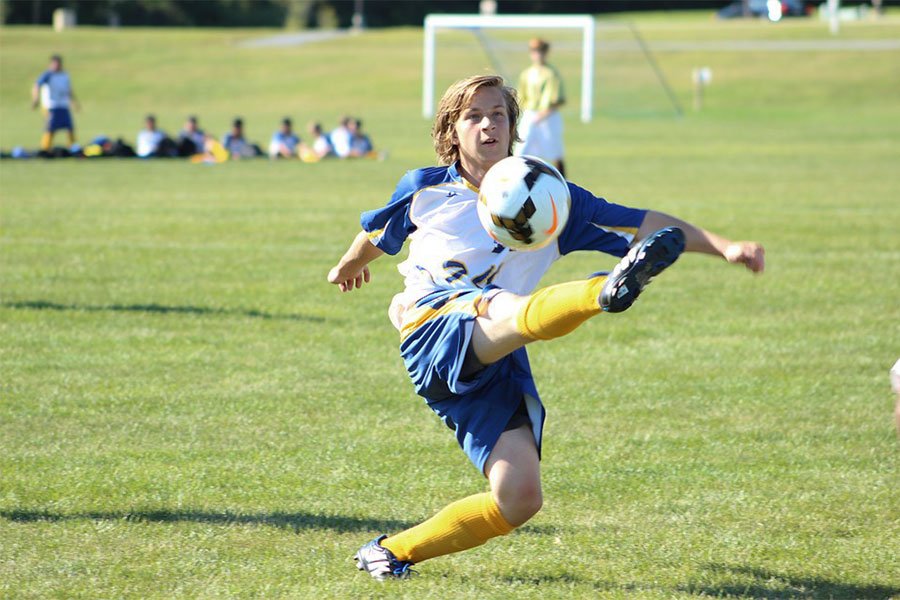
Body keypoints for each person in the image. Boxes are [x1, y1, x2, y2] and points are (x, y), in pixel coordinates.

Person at [327, 74, 765, 581]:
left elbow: (646, 222)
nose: (489, 123)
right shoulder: (425, 188)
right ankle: (601, 293)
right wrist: (346, 266)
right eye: (474, 115)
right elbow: (377, 235)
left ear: (514, 126)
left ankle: (391, 553)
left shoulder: (551, 197)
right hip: (433, 326)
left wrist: (726, 246)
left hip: (497, 352)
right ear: (451, 130)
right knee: (507, 308)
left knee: (519, 497)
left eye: (499, 114)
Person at [515, 38, 567, 177]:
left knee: (554, 150)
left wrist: (544, 113)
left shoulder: (551, 73)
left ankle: (565, 183)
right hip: (531, 114)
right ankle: (520, 179)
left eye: (540, 51)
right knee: (521, 149)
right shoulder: (526, 74)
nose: (537, 54)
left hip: (548, 116)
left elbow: (558, 99)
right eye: (534, 51)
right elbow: (522, 97)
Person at [31, 54, 80, 152]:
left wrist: (74, 102)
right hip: (51, 106)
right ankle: (45, 148)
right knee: (51, 128)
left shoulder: (65, 75)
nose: (56, 66)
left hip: (63, 105)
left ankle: (73, 148)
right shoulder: (47, 75)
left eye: (58, 63)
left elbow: (68, 90)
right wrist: (35, 99)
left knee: (69, 127)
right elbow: (37, 85)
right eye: (54, 63)